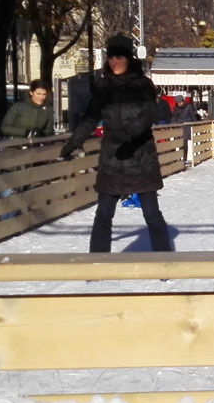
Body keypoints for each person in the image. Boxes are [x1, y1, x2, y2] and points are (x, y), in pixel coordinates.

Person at [59, 34, 172, 253]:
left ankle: (164, 259)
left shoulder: (142, 84)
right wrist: (75, 141)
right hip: (112, 159)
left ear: (129, 59)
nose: (115, 62)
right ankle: (98, 261)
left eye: (120, 57)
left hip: (140, 157)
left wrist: (131, 133)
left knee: (151, 213)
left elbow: (149, 114)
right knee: (103, 213)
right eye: (111, 57)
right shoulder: (103, 86)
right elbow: (91, 116)